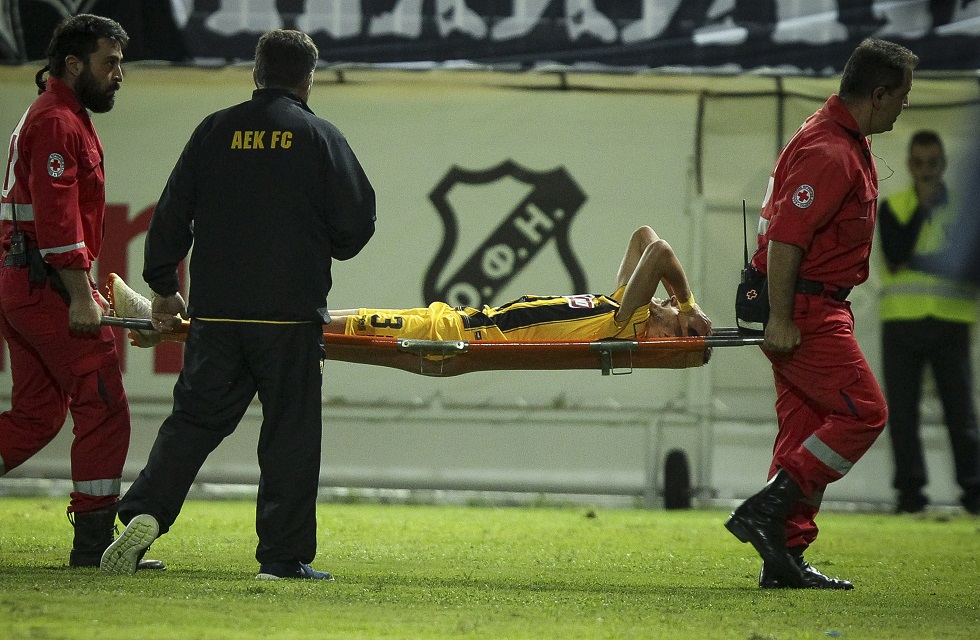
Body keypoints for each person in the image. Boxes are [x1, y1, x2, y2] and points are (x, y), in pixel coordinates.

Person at [99, 29, 377, 579]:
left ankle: (145, 512)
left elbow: (170, 214)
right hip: (289, 317)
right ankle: (281, 558)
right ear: (308, 79)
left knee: (193, 423)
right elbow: (357, 222)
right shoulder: (320, 137)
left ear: (255, 73)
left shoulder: (214, 130)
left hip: (218, 315)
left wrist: (163, 287)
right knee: (290, 436)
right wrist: (323, 244)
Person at [726, 39, 919, 590]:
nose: (904, 106)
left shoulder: (835, 138)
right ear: (878, 94)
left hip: (807, 302)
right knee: (864, 415)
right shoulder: (832, 151)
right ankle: (768, 509)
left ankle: (783, 556)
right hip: (807, 308)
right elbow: (787, 241)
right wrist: (782, 319)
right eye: (902, 95)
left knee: (804, 430)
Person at [0, 14, 162, 570]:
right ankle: (94, 547)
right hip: (46, 285)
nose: (119, 74)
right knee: (103, 403)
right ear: (73, 64)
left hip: (26, 282)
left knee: (37, 416)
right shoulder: (58, 122)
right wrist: (78, 294)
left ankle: (94, 541)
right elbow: (57, 219)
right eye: (109, 63)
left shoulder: (60, 116)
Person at [108, 225, 712, 345]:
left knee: (318, 325)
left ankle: (175, 329)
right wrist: (686, 305)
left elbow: (653, 249)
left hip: (455, 330)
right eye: (677, 331)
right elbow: (647, 240)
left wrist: (683, 306)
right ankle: (173, 328)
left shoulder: (622, 318)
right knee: (319, 324)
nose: (671, 334)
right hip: (455, 326)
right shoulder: (623, 310)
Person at [877, 130, 980, 515]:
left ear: (943, 165)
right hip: (901, 322)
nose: (926, 172)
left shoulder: (966, 212)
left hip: (952, 322)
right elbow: (894, 256)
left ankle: (974, 492)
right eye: (919, 164)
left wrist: (916, 261)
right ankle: (910, 495)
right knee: (903, 414)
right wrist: (923, 212)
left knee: (961, 413)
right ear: (909, 165)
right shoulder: (894, 206)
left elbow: (970, 268)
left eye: (932, 164)